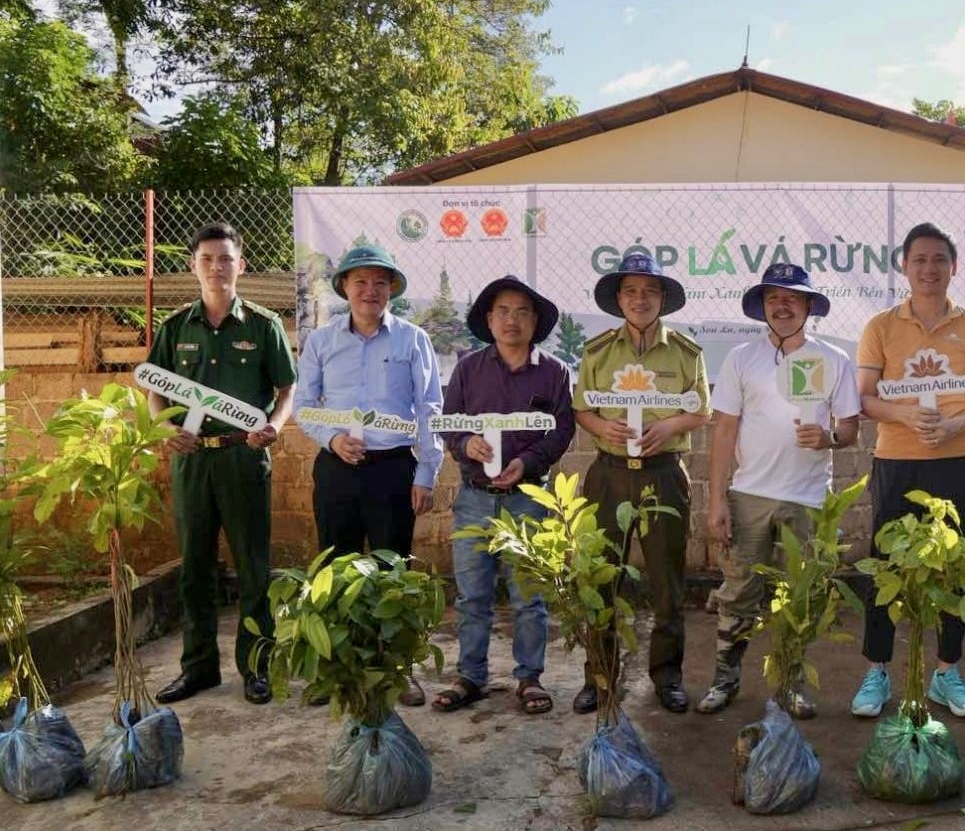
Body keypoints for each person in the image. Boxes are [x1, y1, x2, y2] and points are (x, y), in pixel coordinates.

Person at [696, 263, 862, 717]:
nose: (782, 306)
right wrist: (715, 501)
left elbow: (850, 429)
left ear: (809, 306)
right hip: (748, 496)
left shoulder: (834, 359)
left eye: (792, 298)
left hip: (808, 499)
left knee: (801, 595)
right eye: (773, 298)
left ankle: (790, 682)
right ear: (762, 308)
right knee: (738, 593)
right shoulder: (740, 359)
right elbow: (724, 428)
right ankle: (724, 680)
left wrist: (828, 438)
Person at [851, 222, 965, 719]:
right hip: (896, 463)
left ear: (953, 266)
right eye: (920, 260)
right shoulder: (880, 326)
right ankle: (877, 670)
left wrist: (955, 423)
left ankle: (946, 672)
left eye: (939, 259)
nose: (929, 269)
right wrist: (905, 415)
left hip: (957, 464)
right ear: (904, 266)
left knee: (955, 567)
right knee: (885, 565)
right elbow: (866, 398)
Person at [148, 223, 296, 706]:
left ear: (241, 265)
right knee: (195, 567)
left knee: (253, 566)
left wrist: (274, 426)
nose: (217, 266)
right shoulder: (174, 328)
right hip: (192, 463)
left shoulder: (262, 324)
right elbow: (155, 388)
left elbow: (286, 390)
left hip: (243, 457)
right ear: (194, 265)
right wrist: (164, 429)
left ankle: (256, 668)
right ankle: (198, 669)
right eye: (207, 258)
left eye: (225, 258)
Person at [294, 243, 444, 705]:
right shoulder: (321, 341)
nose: (370, 290)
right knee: (336, 568)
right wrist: (333, 439)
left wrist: (426, 473)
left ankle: (396, 669)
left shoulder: (412, 340)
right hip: (338, 467)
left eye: (381, 282)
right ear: (344, 288)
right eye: (360, 281)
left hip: (393, 469)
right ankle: (339, 669)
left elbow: (429, 407)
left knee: (391, 570)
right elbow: (303, 408)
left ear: (392, 291)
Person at [571, 252, 710, 714]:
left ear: (663, 299)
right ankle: (599, 676)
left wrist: (669, 427)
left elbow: (701, 409)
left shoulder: (686, 352)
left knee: (667, 582)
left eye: (650, 291)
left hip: (664, 475)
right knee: (599, 577)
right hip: (608, 477)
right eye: (630, 291)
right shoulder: (598, 351)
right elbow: (582, 408)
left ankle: (667, 677)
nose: (640, 299)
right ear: (618, 299)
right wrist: (600, 428)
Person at [433, 276, 575, 716]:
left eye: (522, 312)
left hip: (528, 498)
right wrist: (464, 444)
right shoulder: (469, 369)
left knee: (528, 596)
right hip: (474, 498)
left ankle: (529, 678)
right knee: (472, 595)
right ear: (489, 320)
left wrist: (528, 462)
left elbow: (561, 430)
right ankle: (470, 677)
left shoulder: (554, 372)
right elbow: (449, 421)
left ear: (535, 321)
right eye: (503, 311)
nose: (512, 320)